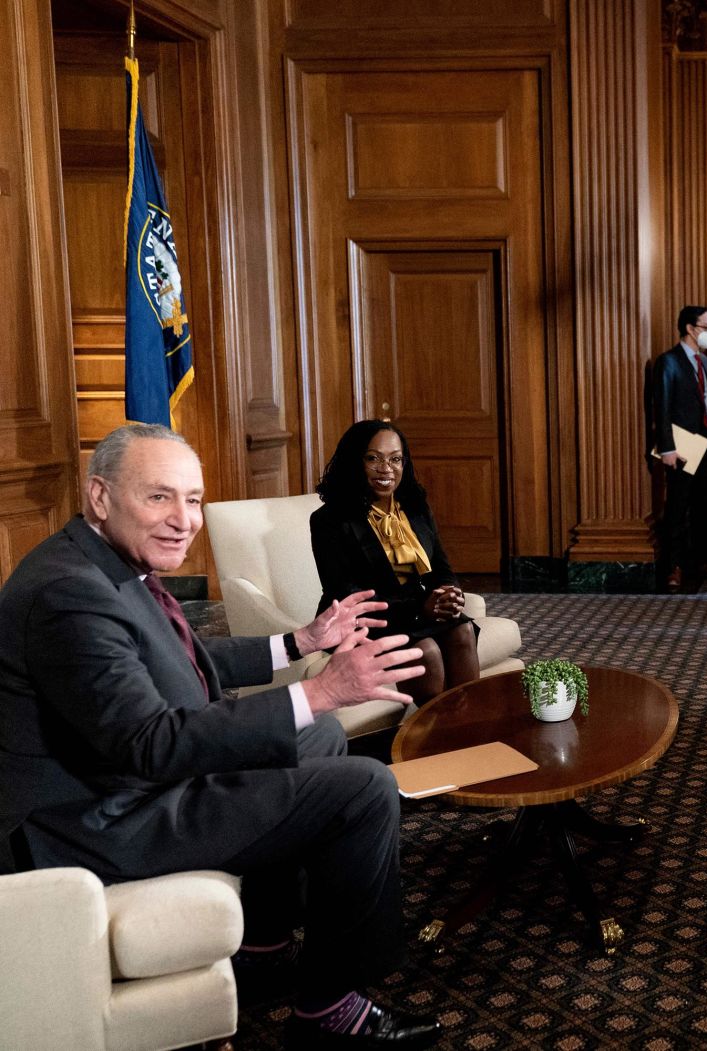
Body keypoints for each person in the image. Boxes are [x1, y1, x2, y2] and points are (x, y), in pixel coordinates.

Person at [0, 423, 441, 1049]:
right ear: (100, 496)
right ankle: (330, 1012)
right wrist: (321, 690)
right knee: (364, 787)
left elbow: (171, 656)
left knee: (315, 740)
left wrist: (300, 643)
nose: (183, 519)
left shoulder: (100, 559)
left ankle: (261, 944)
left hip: (123, 782)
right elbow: (150, 745)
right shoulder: (68, 594)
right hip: (92, 818)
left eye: (194, 499)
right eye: (159, 497)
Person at [311, 420, 479, 705]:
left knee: (462, 631)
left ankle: (467, 729)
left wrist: (449, 593)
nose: (386, 468)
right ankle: (429, 740)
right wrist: (420, 609)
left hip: (418, 611)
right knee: (426, 651)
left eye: (395, 459)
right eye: (373, 458)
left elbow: (441, 567)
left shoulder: (415, 506)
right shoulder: (329, 520)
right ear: (355, 461)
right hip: (365, 619)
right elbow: (348, 593)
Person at [651, 304, 707, 592]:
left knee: (703, 506)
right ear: (690, 329)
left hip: (705, 443)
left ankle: (697, 562)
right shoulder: (668, 362)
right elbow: (664, 407)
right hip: (681, 444)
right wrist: (667, 448)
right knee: (678, 508)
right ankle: (673, 567)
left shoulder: (703, 361)